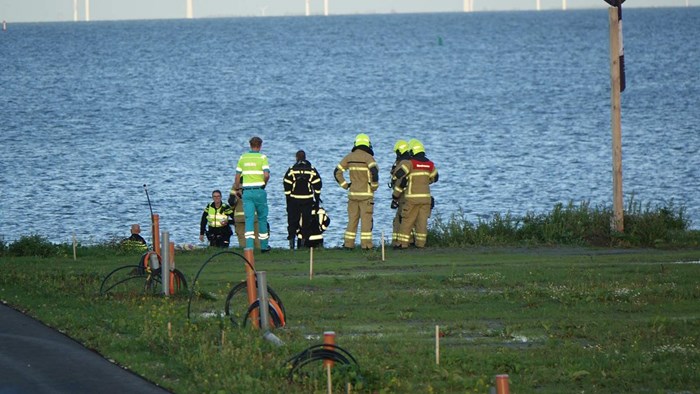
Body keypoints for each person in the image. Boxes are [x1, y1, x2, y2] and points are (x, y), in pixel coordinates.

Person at [334, 133, 379, 249]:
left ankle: (348, 245)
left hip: (353, 195)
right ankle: (366, 246)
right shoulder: (369, 158)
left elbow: (337, 172)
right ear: (368, 144)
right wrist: (374, 186)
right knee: (366, 222)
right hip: (366, 196)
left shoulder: (349, 157)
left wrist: (346, 185)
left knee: (352, 221)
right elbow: (374, 172)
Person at [391, 139, 439, 249]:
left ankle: (402, 244)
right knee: (422, 222)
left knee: (407, 220)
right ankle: (420, 244)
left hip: (411, 198)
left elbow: (399, 175)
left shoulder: (410, 163)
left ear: (412, 151)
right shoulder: (430, 164)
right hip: (426, 199)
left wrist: (396, 193)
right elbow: (435, 178)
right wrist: (425, 181)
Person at [231, 136, 271, 252]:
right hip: (259, 191)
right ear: (260, 146)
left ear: (250, 145)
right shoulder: (263, 157)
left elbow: (237, 176)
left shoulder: (243, 157)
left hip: (247, 192)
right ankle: (264, 246)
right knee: (262, 218)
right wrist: (264, 183)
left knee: (249, 218)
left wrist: (238, 188)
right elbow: (267, 175)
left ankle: (249, 247)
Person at [283, 150, 322, 249]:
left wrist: (288, 199)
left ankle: (291, 245)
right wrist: (316, 201)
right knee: (306, 223)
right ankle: (303, 245)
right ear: (305, 157)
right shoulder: (311, 169)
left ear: (296, 158)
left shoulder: (292, 169)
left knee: (292, 222)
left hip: (294, 201)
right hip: (307, 201)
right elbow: (318, 184)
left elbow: (286, 184)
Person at [388, 140, 412, 248]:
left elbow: (400, 181)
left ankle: (402, 243)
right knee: (403, 219)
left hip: (404, 196)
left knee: (402, 220)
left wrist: (395, 196)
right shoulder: (410, 162)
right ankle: (401, 242)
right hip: (408, 195)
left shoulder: (404, 164)